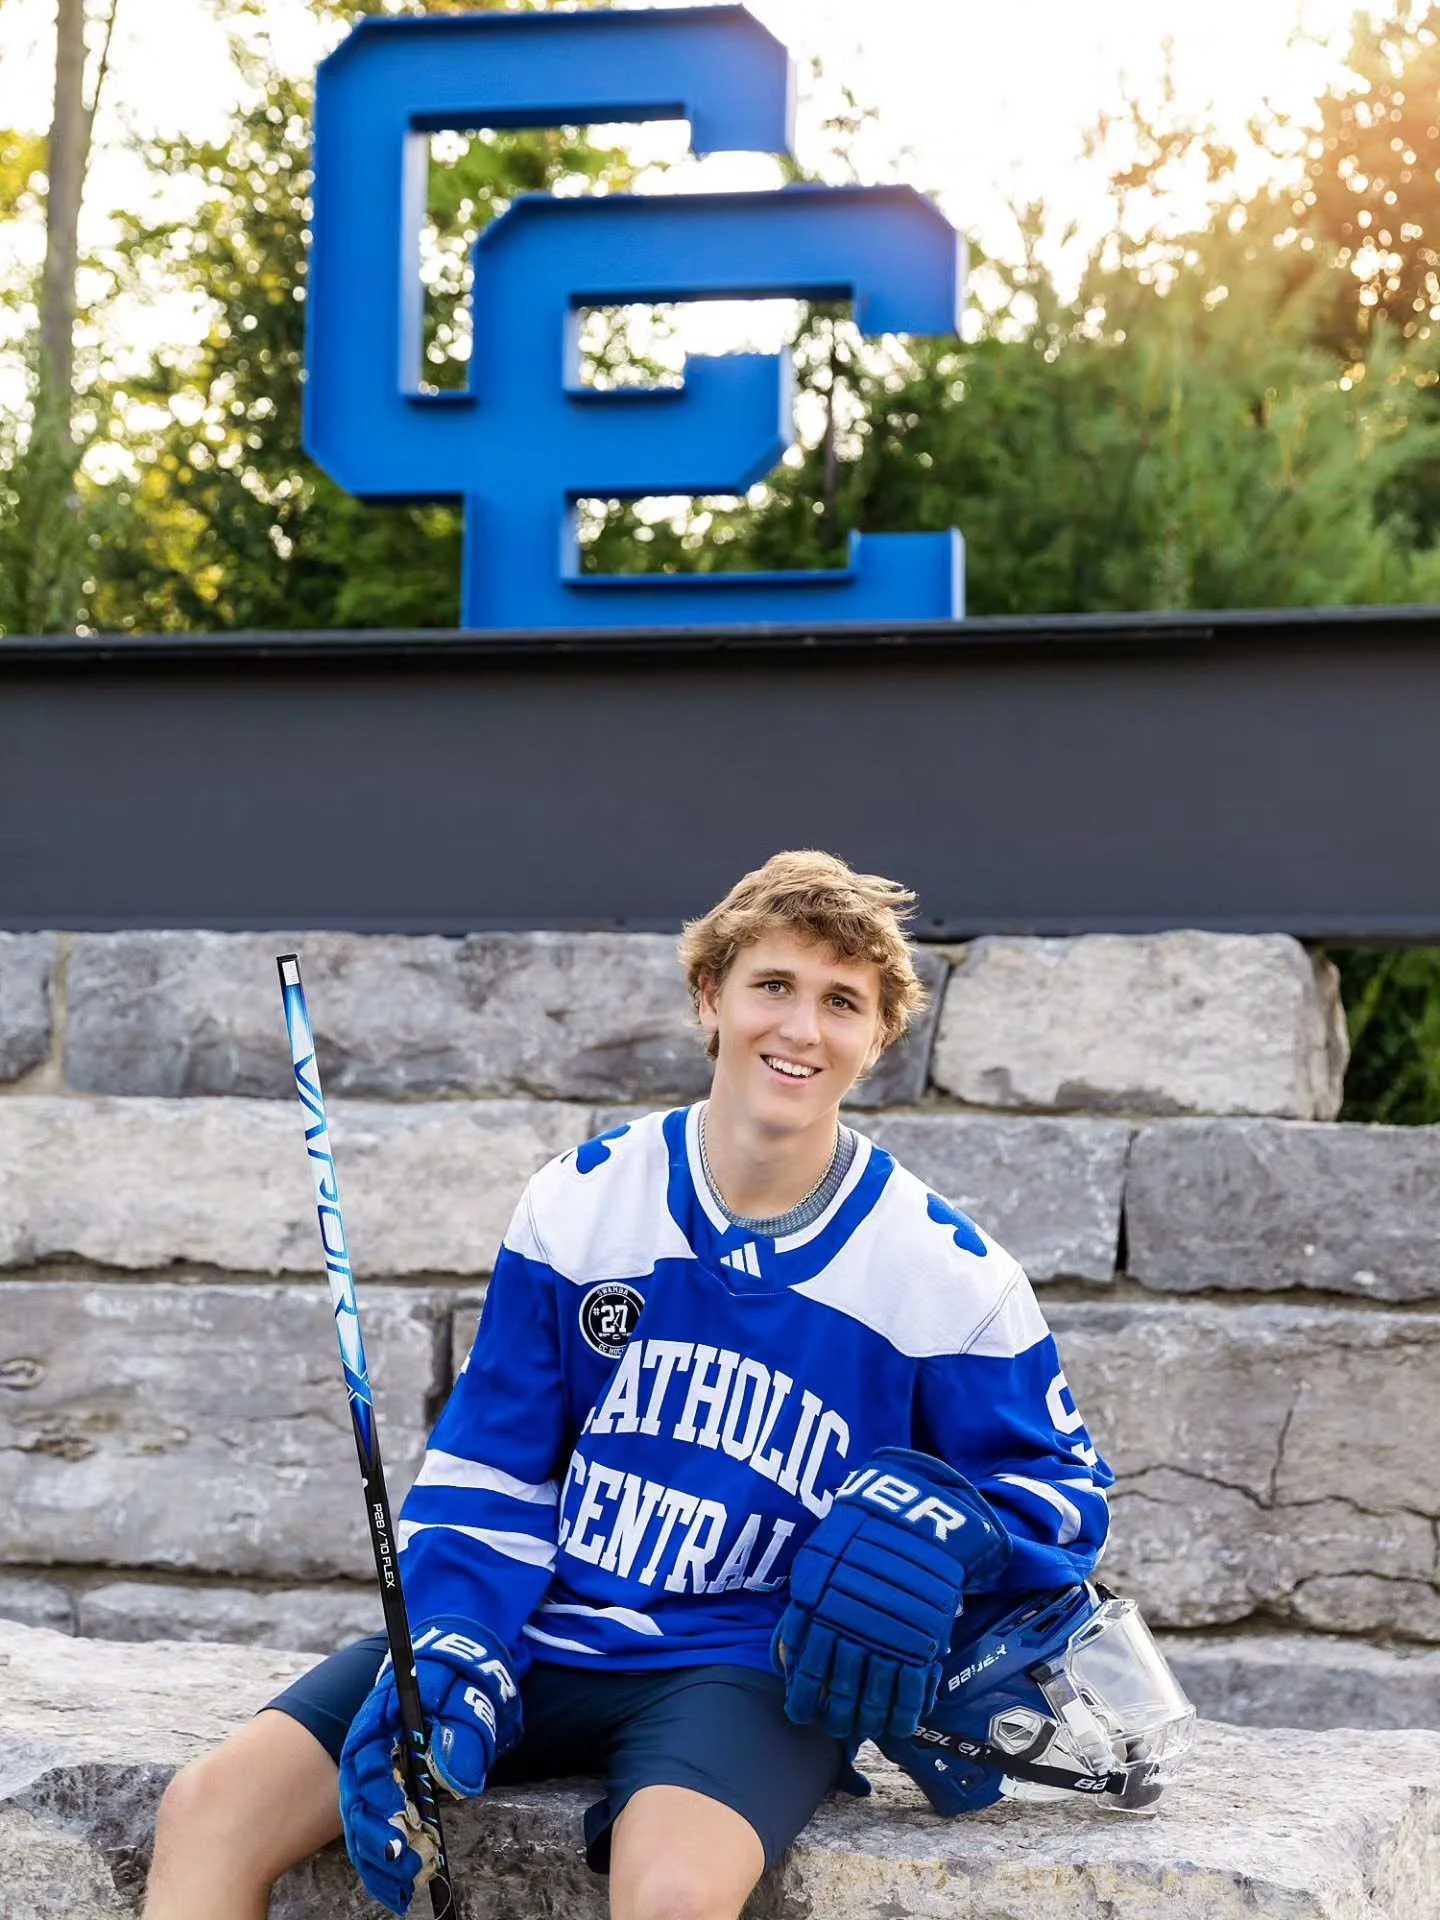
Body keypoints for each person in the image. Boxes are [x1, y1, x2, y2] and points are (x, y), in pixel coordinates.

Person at [143, 849, 1113, 1920]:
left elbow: (1062, 1496)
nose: (800, 1029)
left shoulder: (951, 1276)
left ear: (878, 1038)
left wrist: (953, 1531)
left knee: (672, 1898)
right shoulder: (582, 1204)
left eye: (842, 1001)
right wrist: (457, 1634)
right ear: (712, 997)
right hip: (528, 1624)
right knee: (209, 1812)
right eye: (772, 986)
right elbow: (490, 1468)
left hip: (741, 1666)